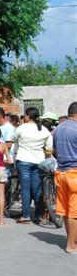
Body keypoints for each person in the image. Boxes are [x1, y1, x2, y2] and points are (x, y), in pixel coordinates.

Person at [12, 107, 53, 224]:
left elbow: (13, 139)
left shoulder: (21, 128)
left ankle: (25, 216)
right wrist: (46, 160)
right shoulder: (44, 130)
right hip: (38, 162)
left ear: (28, 116)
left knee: (25, 188)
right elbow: (49, 149)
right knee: (37, 189)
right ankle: (39, 215)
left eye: (25, 115)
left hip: (23, 161)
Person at [53, 102, 77, 254]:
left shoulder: (58, 129)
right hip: (74, 173)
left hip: (60, 173)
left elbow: (54, 150)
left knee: (66, 211)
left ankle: (70, 239)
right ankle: (71, 245)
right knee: (75, 212)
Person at [0, 107, 16, 213]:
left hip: (5, 159)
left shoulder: (9, 128)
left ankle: (2, 205)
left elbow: (9, 144)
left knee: (2, 184)